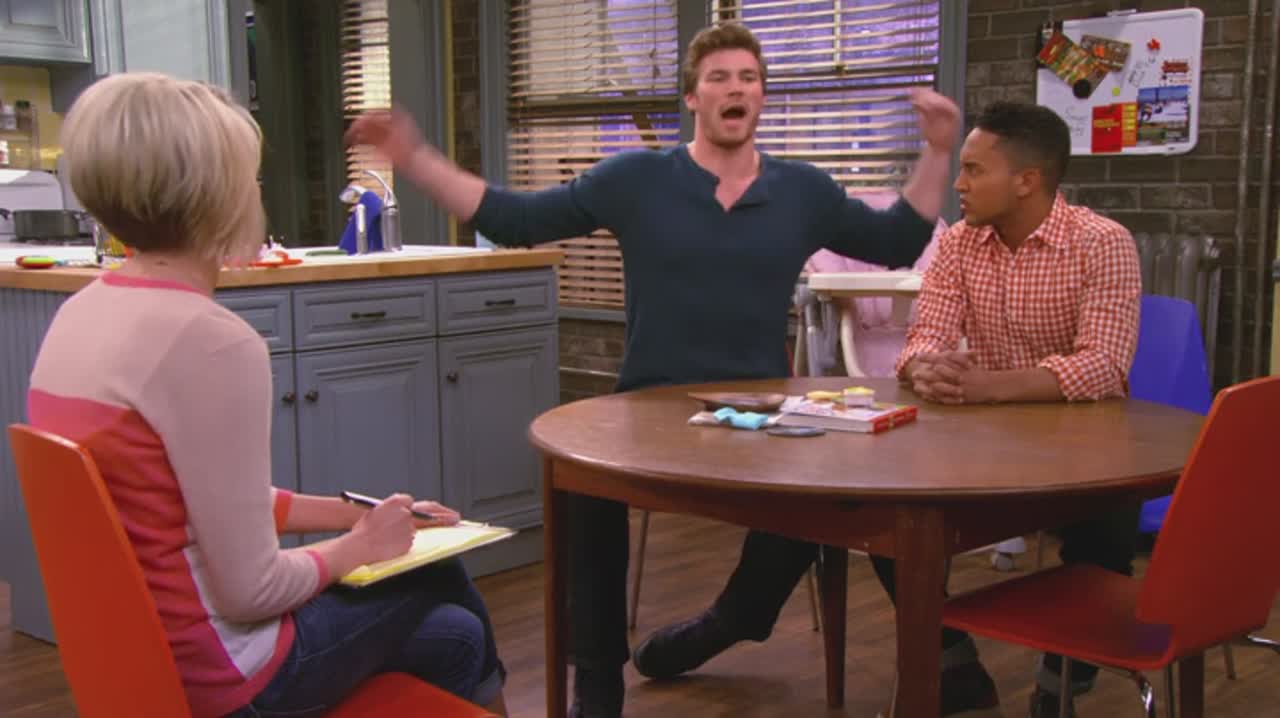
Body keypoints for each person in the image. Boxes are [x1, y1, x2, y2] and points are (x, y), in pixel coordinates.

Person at [347, 21, 959, 718]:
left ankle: (732, 621)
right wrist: (413, 156)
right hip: (649, 408)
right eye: (719, 78)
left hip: (760, 412)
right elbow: (515, 219)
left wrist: (939, 149)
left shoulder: (802, 192)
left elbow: (897, 240)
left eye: (748, 78)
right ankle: (597, 682)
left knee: (832, 495)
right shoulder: (637, 180)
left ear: (762, 97)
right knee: (583, 484)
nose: (735, 89)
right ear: (693, 97)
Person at [28, 72, 506, 718]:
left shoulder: (80, 313)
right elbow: (251, 591)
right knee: (439, 577)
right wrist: (363, 547)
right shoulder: (211, 342)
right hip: (229, 680)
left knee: (452, 634)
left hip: (140, 663)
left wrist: (352, 517)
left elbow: (203, 502)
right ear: (218, 196)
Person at [885, 101, 1142, 718]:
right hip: (983, 448)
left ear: (1027, 180)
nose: (959, 183)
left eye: (974, 169)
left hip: (1083, 447)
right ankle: (955, 666)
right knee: (885, 516)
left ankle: (1061, 683)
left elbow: (1104, 365)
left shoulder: (1103, 242)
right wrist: (924, 367)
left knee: (1107, 531)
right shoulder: (958, 244)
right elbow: (924, 337)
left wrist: (990, 386)